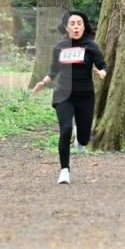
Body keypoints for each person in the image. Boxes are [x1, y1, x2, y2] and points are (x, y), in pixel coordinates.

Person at [31, 10, 107, 184]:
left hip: (85, 96)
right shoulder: (60, 47)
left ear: (84, 26)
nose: (76, 26)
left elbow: (103, 65)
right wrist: (43, 83)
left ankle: (80, 140)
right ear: (66, 27)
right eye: (72, 23)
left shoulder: (91, 46)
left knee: (84, 138)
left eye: (79, 23)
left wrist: (101, 72)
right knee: (65, 129)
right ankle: (64, 170)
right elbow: (54, 70)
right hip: (63, 95)